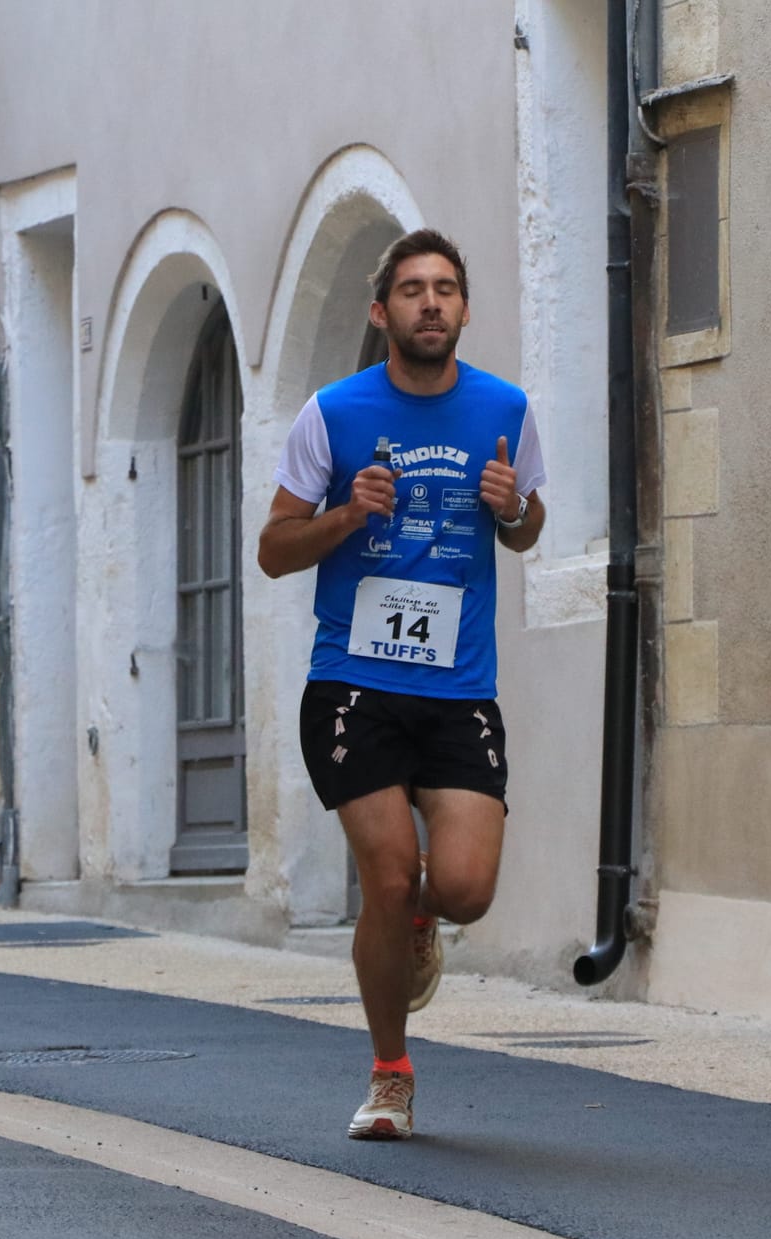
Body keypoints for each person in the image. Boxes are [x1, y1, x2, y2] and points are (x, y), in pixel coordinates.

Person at [257, 229, 547, 1140]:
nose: (431, 303)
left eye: (447, 289)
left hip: (459, 688)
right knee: (386, 875)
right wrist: (347, 514)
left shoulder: (505, 408)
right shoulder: (333, 414)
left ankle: (423, 915)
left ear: (465, 309)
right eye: (413, 290)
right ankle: (390, 1073)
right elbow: (272, 550)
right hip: (354, 683)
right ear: (381, 311)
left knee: (461, 887)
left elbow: (530, 526)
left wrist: (514, 508)